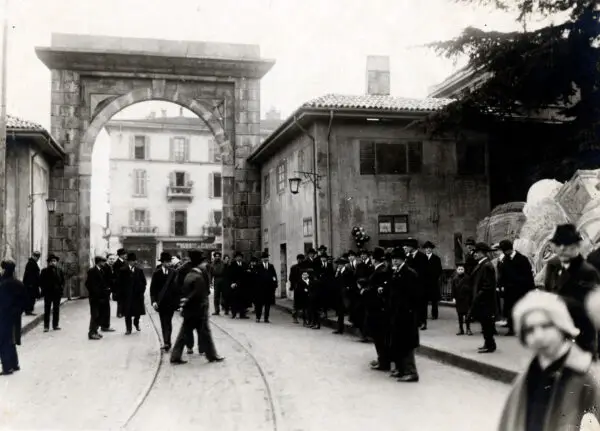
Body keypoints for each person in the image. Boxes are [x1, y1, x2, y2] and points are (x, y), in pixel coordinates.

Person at [498, 290, 600, 431]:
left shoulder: (587, 378)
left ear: (561, 326)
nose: (538, 336)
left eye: (546, 326)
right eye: (529, 330)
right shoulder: (525, 378)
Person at [543, 224, 600, 355]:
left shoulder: (587, 269)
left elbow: (587, 299)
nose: (562, 248)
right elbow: (550, 284)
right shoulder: (556, 263)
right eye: (559, 244)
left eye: (568, 245)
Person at [170, 250, 224, 365]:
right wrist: (188, 299)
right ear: (198, 263)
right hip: (198, 311)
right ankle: (212, 355)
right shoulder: (197, 276)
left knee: (187, 334)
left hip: (191, 311)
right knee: (202, 333)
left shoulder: (190, 274)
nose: (205, 264)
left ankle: (176, 356)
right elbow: (198, 294)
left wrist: (184, 300)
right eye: (203, 262)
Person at [388, 248, 420, 382]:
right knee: (399, 342)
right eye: (393, 258)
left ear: (403, 259)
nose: (394, 260)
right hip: (398, 313)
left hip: (406, 314)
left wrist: (408, 310)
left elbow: (413, 295)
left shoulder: (409, 273)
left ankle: (411, 372)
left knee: (406, 344)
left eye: (397, 258)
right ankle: (401, 370)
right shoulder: (397, 271)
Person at [497, 239, 535, 336]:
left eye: (503, 250)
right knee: (510, 309)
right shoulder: (504, 259)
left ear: (508, 250)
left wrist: (531, 290)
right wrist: (500, 286)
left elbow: (528, 276)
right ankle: (512, 328)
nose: (503, 253)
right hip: (509, 290)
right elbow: (502, 275)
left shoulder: (522, 259)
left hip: (521, 290)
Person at [364, 247, 392, 371]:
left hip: (378, 309)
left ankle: (384, 362)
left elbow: (377, 289)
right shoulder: (379, 270)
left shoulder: (381, 271)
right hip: (376, 308)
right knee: (378, 336)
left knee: (379, 336)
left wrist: (365, 291)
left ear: (373, 259)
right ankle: (382, 359)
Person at [468, 242, 498, 353]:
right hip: (482, 300)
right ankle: (488, 343)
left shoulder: (486, 265)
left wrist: (478, 297)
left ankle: (490, 345)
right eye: (474, 252)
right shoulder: (482, 264)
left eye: (477, 252)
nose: (474, 254)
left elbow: (488, 286)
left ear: (483, 253)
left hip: (485, 301)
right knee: (484, 324)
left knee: (487, 324)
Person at [150, 252, 180, 352]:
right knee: (163, 322)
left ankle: (167, 341)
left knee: (168, 322)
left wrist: (178, 303)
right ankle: (166, 342)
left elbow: (177, 289)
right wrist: (153, 301)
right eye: (167, 262)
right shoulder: (156, 273)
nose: (169, 263)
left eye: (169, 261)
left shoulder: (174, 272)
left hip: (171, 303)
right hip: (161, 302)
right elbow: (152, 289)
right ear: (162, 262)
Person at [0, 261, 25, 375]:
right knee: (12, 340)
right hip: (15, 317)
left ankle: (7, 367)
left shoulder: (3, 284)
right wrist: (18, 311)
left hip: (4, 316)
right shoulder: (19, 284)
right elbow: (26, 301)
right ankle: (15, 364)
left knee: (4, 341)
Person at [118, 253, 147, 335]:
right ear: (129, 262)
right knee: (127, 313)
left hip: (137, 296)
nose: (135, 262)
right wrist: (121, 294)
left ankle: (136, 323)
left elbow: (144, 282)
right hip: (127, 296)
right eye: (133, 261)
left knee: (137, 313)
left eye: (135, 260)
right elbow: (119, 284)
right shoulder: (123, 270)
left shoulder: (139, 270)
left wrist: (141, 291)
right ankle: (128, 329)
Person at [85, 256, 110, 340]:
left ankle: (95, 331)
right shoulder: (92, 271)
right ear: (99, 262)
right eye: (103, 262)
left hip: (101, 298)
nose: (104, 263)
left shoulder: (101, 270)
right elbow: (88, 284)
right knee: (95, 315)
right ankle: (91, 333)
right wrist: (96, 293)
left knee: (99, 315)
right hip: (95, 298)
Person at [40, 254, 65, 332]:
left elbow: (63, 281)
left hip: (57, 293)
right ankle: (46, 326)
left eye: (54, 261)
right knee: (47, 310)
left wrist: (61, 289)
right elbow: (41, 282)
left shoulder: (60, 270)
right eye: (51, 261)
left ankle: (55, 325)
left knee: (56, 309)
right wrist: (44, 290)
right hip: (48, 293)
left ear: (56, 262)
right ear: (48, 262)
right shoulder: (44, 271)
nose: (53, 262)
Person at [422, 241, 443, 322]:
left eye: (429, 248)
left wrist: (434, 277)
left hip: (433, 282)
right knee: (424, 300)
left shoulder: (436, 258)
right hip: (424, 282)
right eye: (426, 248)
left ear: (432, 249)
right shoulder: (422, 258)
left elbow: (439, 270)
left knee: (434, 300)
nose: (428, 250)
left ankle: (434, 314)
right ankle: (424, 315)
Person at [255, 252, 278, 323]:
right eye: (264, 258)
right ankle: (258, 317)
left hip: (269, 289)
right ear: (262, 259)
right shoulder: (258, 266)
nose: (266, 259)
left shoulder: (271, 266)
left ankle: (266, 318)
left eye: (267, 257)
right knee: (259, 304)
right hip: (260, 289)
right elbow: (255, 278)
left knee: (268, 304)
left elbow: (274, 276)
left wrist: (275, 284)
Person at [451, 263, 473, 336]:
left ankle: (468, 329)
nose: (460, 270)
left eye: (462, 269)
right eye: (459, 269)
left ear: (464, 270)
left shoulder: (467, 278)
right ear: (457, 270)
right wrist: (453, 298)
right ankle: (461, 329)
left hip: (466, 298)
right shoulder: (455, 279)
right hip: (458, 299)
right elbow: (453, 289)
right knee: (459, 315)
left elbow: (471, 288)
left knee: (467, 315)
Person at [288, 254, 306, 324]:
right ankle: (294, 317)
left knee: (305, 302)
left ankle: (305, 317)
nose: (300, 260)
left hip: (304, 287)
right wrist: (292, 286)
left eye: (302, 259)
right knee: (296, 303)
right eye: (299, 259)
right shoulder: (293, 267)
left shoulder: (305, 267)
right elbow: (291, 278)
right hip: (297, 287)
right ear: (297, 259)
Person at [22, 251, 41, 316]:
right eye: (37, 257)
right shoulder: (31, 263)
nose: (38, 259)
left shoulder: (32, 263)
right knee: (30, 298)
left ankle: (29, 310)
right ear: (34, 256)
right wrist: (30, 284)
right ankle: (28, 311)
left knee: (32, 298)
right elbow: (29, 275)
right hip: (31, 285)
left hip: (32, 284)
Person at [211, 252, 229, 316]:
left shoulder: (224, 263)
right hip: (216, 280)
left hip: (223, 280)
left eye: (218, 256)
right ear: (214, 257)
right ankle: (217, 310)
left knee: (225, 296)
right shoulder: (212, 264)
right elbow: (211, 273)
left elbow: (227, 272)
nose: (217, 257)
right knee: (216, 296)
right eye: (216, 256)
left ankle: (226, 309)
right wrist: (210, 281)